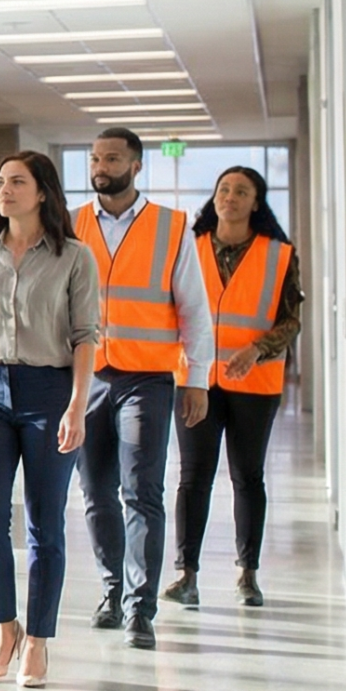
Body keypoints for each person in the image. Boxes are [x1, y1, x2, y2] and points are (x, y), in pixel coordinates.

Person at [0, 152, 100, 691]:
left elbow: (85, 337)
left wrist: (77, 404)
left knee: (44, 522)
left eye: (16, 182)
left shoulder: (73, 257)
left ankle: (38, 638)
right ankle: (3, 627)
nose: (4, 190)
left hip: (49, 391)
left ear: (42, 193)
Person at [74, 128, 215, 650]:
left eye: (112, 157)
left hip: (148, 379)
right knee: (95, 494)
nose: (100, 165)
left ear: (136, 166)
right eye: (94, 157)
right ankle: (112, 591)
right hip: (86, 378)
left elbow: (195, 310)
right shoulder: (73, 225)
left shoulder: (171, 227)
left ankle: (141, 608)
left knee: (142, 491)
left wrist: (196, 378)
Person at [167, 165, 300, 609]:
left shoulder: (279, 254)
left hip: (255, 382)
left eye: (241, 191)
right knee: (193, 478)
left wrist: (258, 349)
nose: (230, 197)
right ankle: (186, 574)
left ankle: (248, 574)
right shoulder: (190, 246)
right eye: (224, 189)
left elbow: (290, 319)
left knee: (247, 477)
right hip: (196, 379)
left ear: (256, 202)